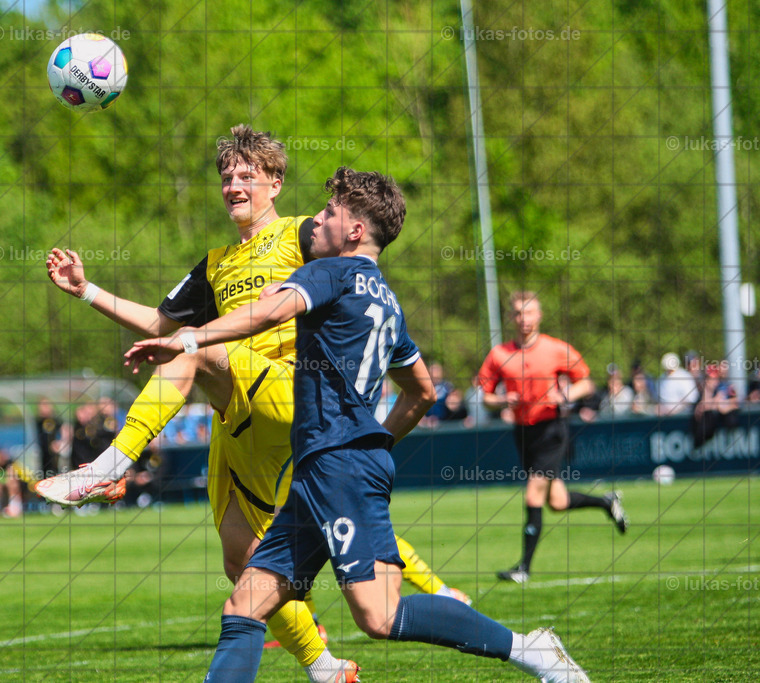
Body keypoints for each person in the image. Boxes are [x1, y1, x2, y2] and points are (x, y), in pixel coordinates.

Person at [34, 126, 465, 681]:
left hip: (288, 390)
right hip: (237, 414)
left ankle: (110, 467)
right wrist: (87, 290)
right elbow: (161, 326)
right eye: (226, 177)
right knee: (242, 561)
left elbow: (354, 262)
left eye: (247, 176)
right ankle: (324, 665)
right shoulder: (213, 264)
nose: (234, 185)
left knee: (196, 349)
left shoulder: (303, 233)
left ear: (276, 184)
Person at [126, 167, 589, 682]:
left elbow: (266, 313)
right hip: (327, 470)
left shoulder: (329, 272)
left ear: (353, 232)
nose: (317, 220)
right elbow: (422, 392)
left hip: (336, 468)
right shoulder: (387, 301)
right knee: (243, 605)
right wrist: (376, 442)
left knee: (380, 615)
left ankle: (530, 649)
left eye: (328, 212)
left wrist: (189, 339)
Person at [478, 290, 628, 584]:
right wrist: (501, 401)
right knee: (557, 502)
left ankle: (523, 568)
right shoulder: (499, 355)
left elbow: (585, 382)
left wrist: (567, 393)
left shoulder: (556, 349)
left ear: (539, 315)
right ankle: (607, 503)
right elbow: (484, 397)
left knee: (533, 493)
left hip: (552, 429)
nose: (524, 319)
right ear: (511, 317)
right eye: (519, 313)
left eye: (530, 312)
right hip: (523, 431)